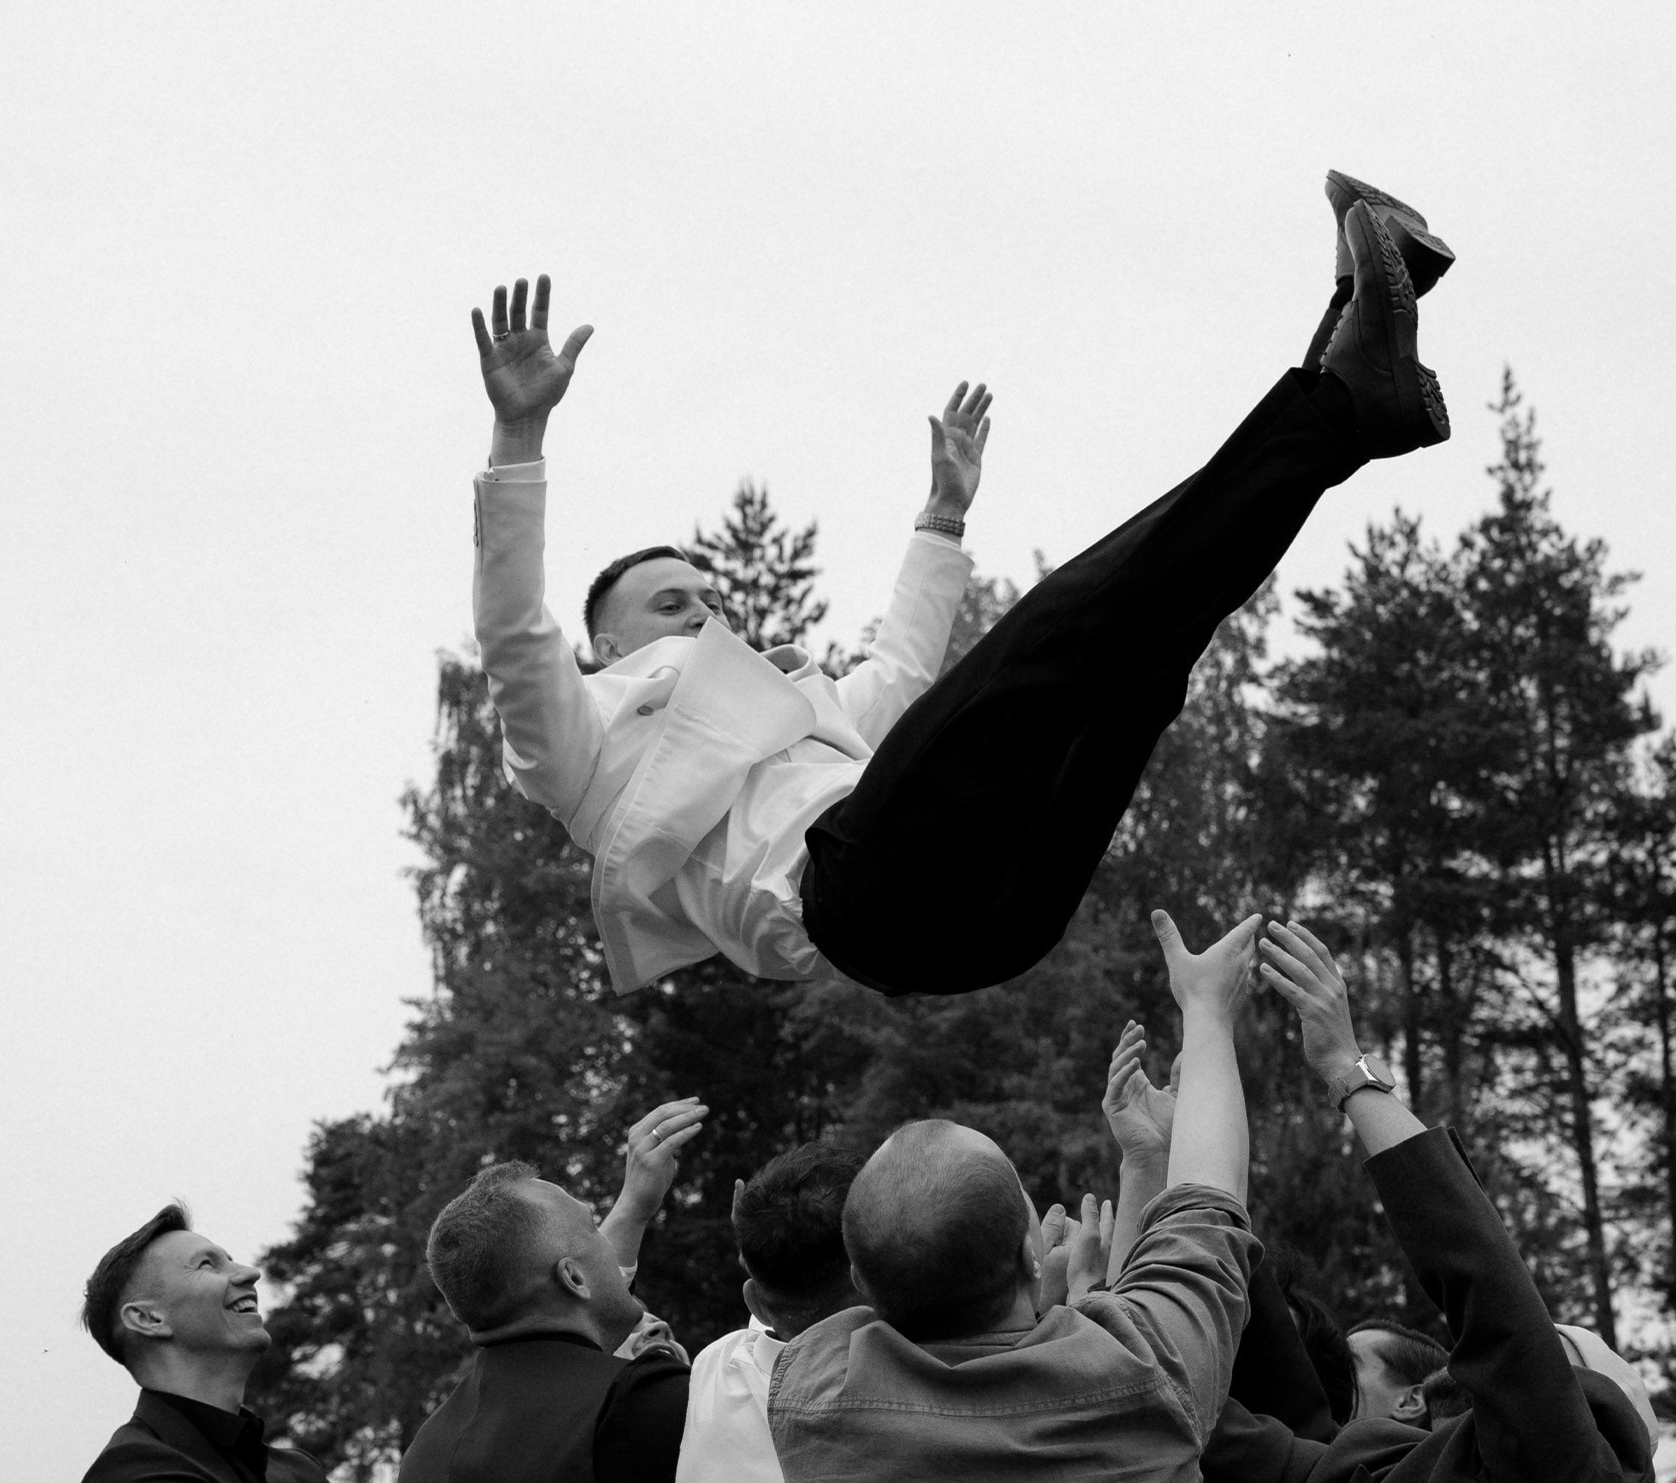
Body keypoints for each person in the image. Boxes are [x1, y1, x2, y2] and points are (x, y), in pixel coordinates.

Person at [469, 171, 1455, 997]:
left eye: (704, 592)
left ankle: (1347, 359)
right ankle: (1346, 397)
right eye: (671, 601)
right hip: (863, 898)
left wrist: (941, 517)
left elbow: (898, 671)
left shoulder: (791, 708)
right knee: (1073, 624)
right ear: (606, 643)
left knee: (1153, 641)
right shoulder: (581, 742)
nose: (704, 610)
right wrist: (518, 437)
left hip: (985, 915)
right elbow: (514, 637)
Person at [763, 910, 1264, 1483]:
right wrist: (1207, 1012)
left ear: (861, 1284)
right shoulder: (1146, 1375)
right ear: (1034, 1263)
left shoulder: (806, 1392)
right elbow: (1207, 1209)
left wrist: (1140, 1165)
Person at [1192, 921, 1657, 1483]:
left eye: (1548, 1348)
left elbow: (1480, 1271)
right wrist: (1160, 1164)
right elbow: (1191, 1414)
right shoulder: (1374, 1477)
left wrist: (1349, 1068)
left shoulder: (1561, 1475)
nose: (1517, 1356)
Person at [394, 1100, 708, 1483]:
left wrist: (634, 1205)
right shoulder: (635, 1405)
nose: (603, 1239)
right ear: (571, 1276)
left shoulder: (429, 1449)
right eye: (591, 1228)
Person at [69, 1206, 396, 1483]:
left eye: (232, 1259)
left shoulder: (297, 1475)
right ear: (147, 1318)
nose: (250, 1272)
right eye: (208, 1264)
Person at [662, 1143, 864, 1483]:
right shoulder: (926, 1389)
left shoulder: (715, 1369)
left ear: (754, 1299)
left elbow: (775, 1316)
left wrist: (757, 1245)